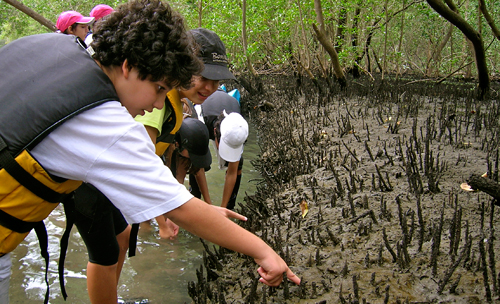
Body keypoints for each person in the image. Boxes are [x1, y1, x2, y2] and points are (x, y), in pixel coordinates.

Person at [0, 1, 300, 303]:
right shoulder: (106, 123)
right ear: (128, 65)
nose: (158, 103)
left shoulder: (49, 45)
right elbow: (178, 207)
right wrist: (263, 251)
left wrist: (203, 210)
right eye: (158, 88)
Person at [136, 28, 236, 239]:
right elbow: (141, 167)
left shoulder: (178, 103)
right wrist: (167, 219)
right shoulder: (157, 103)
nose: (210, 87)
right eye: (203, 76)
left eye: (216, 81)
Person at [190, 90, 247, 210]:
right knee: (195, 162)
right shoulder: (201, 123)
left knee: (238, 164)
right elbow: (199, 169)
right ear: (215, 133)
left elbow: (232, 172)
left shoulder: (238, 129)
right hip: (205, 114)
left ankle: (229, 207)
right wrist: (209, 207)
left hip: (227, 114)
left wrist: (223, 209)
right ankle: (195, 201)